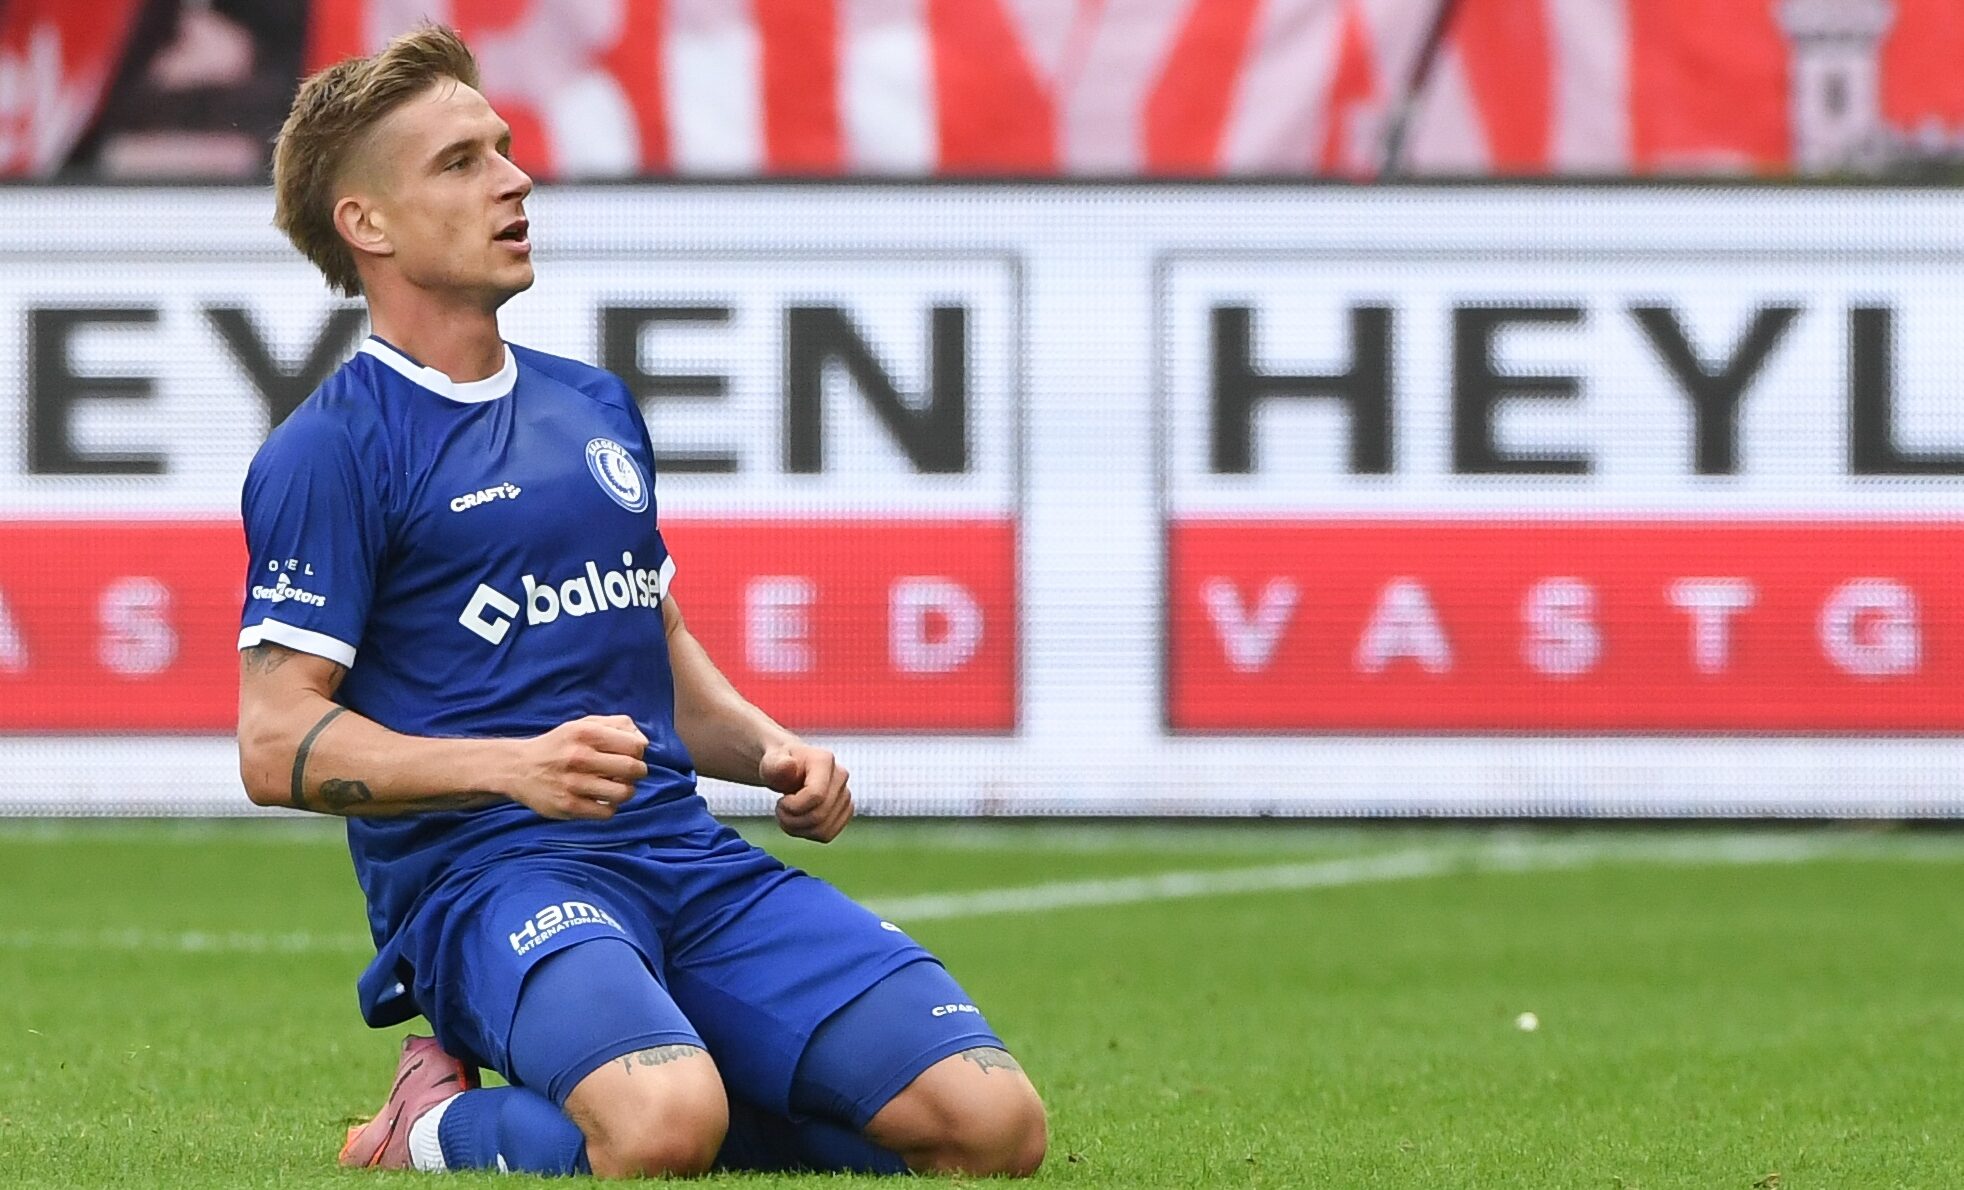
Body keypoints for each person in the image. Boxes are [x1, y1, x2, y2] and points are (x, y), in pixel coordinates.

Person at [235, 24, 1045, 1179]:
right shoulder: (330, 450)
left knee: (993, 1127)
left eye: (503, 148)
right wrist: (510, 767)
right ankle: (431, 1124)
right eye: (461, 163)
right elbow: (273, 743)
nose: (514, 179)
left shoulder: (592, 404)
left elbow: (651, 641)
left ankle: (683, 1070)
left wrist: (768, 751)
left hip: (681, 853)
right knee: (662, 1126)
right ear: (367, 224)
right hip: (494, 878)